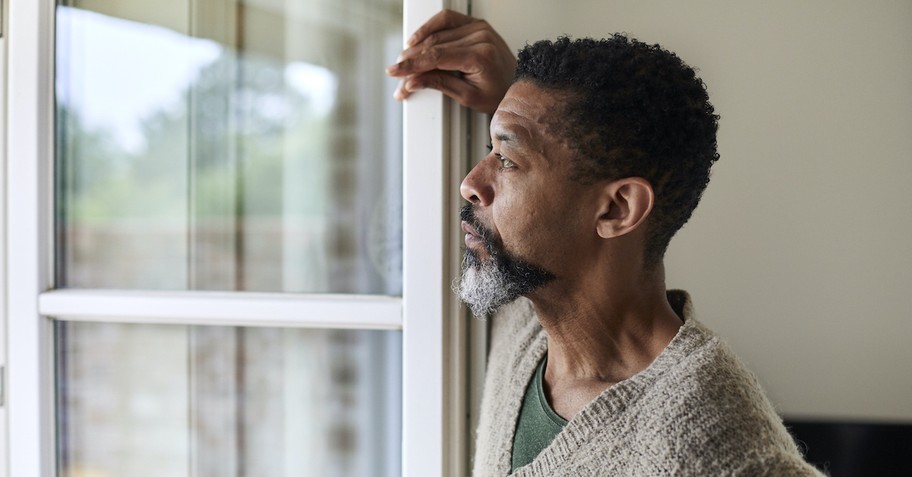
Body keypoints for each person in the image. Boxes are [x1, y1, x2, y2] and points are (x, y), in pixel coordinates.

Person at [388, 10, 824, 476]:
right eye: (490, 150)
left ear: (618, 210)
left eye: (507, 161)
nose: (471, 183)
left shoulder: (714, 446)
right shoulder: (531, 311)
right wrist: (507, 106)